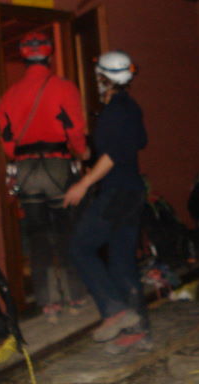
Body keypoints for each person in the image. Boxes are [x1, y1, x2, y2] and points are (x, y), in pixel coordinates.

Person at [63, 50, 150, 354]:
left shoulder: (115, 111)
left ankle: (114, 311)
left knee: (80, 247)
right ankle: (139, 331)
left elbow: (113, 155)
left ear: (102, 77)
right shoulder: (129, 107)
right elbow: (135, 143)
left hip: (117, 193)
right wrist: (91, 154)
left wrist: (83, 184)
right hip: (131, 191)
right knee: (122, 262)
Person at [0, 31, 88, 323]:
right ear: (49, 55)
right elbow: (75, 129)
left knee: (37, 236)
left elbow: (7, 141)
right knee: (64, 231)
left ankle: (48, 303)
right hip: (57, 164)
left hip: (26, 168)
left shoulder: (10, 94)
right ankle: (74, 296)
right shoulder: (64, 87)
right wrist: (82, 152)